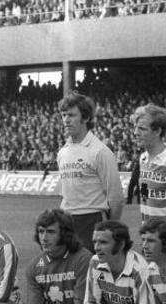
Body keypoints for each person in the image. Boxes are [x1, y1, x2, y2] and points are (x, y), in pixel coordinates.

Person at [57, 92, 124, 252]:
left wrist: (108, 227)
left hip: (92, 219)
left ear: (86, 118)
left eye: (72, 115)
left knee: (93, 273)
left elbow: (116, 197)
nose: (66, 120)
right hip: (67, 220)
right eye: (64, 115)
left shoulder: (100, 151)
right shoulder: (62, 152)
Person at [131, 103, 166, 238]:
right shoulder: (143, 158)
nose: (135, 133)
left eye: (142, 129)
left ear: (157, 131)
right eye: (135, 127)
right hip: (149, 237)